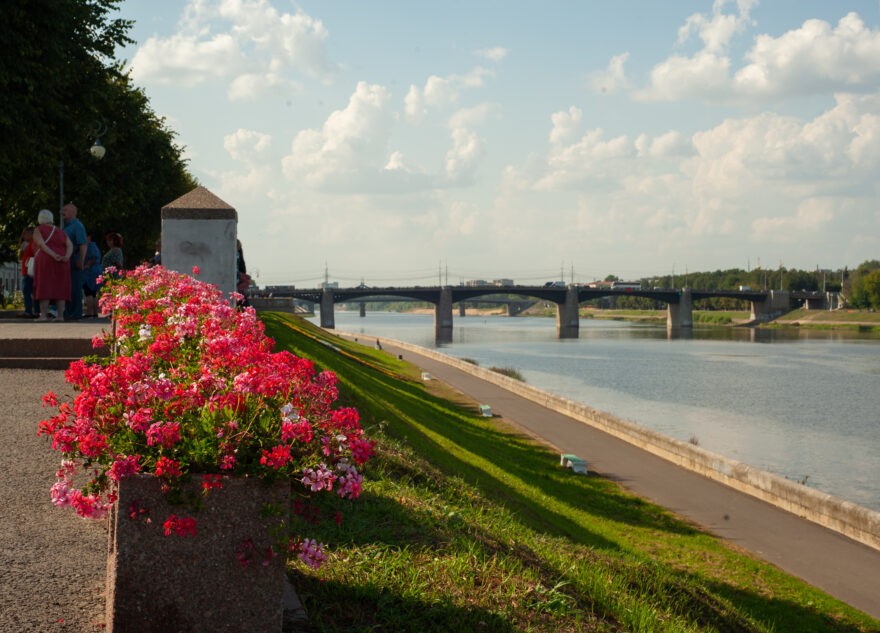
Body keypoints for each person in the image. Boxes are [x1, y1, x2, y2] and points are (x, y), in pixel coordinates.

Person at [31, 209, 73, 321]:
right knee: (60, 288)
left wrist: (53, 255)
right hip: (63, 261)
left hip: (45, 260)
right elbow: (69, 245)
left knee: (44, 286)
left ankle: (43, 315)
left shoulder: (38, 229)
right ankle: (60, 316)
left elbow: (41, 244)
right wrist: (67, 256)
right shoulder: (60, 231)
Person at [61, 203, 87, 320]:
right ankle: (68, 312)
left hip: (74, 260)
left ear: (73, 212)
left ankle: (75, 313)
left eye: (65, 210)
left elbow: (82, 244)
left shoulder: (77, 226)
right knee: (67, 287)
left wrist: (80, 260)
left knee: (75, 287)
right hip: (67, 261)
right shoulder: (66, 226)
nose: (62, 212)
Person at [82, 233, 103, 318]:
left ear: (89, 237)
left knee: (88, 292)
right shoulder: (95, 246)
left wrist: (86, 265)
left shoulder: (89, 246)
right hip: (97, 271)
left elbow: (92, 258)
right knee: (94, 292)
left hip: (90, 272)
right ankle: (94, 312)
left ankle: (89, 312)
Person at [18, 227, 37, 318]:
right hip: (30, 270)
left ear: (31, 234)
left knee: (27, 291)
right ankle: (35, 311)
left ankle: (28, 311)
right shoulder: (31, 243)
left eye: (25, 234)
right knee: (33, 292)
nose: (23, 236)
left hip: (29, 271)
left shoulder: (30, 244)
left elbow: (21, 256)